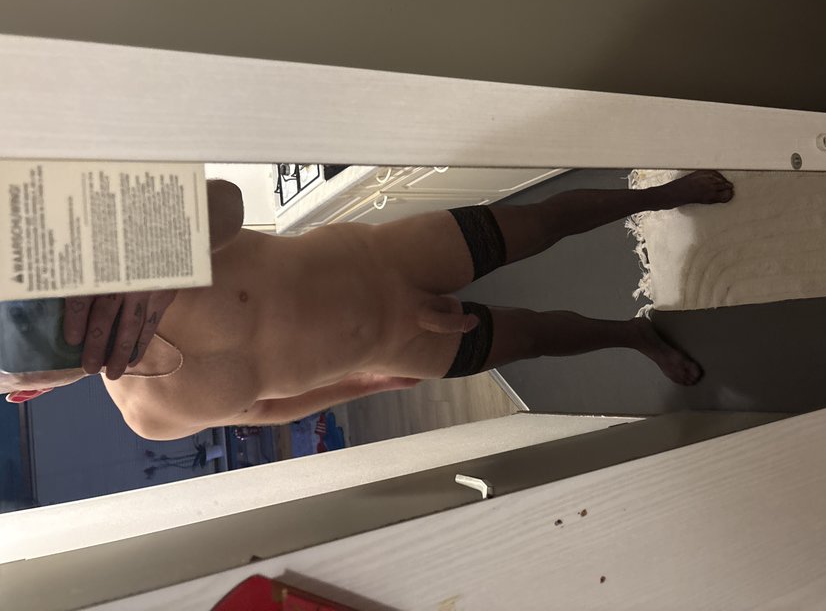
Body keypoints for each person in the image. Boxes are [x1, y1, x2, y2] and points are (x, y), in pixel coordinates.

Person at [1, 171, 734, 440]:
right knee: (537, 338)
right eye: (35, 347)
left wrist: (153, 254)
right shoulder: (149, 418)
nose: (61, 324)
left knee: (540, 225)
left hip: (394, 257)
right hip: (398, 346)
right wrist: (369, 384)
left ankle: (658, 195)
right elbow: (262, 408)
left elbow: (228, 202)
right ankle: (632, 336)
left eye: (36, 309)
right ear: (29, 392)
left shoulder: (122, 257)